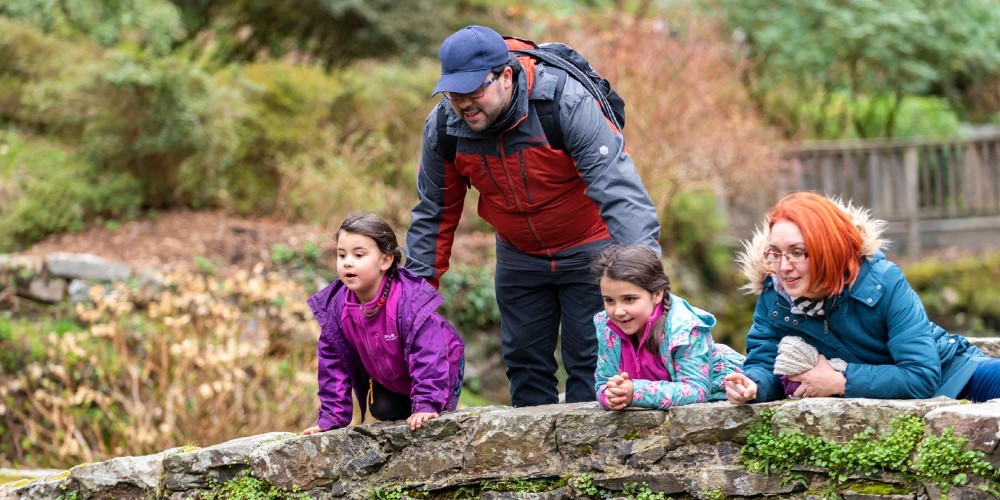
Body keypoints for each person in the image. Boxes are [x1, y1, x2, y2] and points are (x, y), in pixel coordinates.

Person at [405, 25, 661, 407]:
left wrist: (649, 282)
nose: (463, 104)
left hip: (591, 248)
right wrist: (413, 303)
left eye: (474, 91)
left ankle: (586, 465)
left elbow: (620, 193)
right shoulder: (445, 127)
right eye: (454, 94)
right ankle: (536, 467)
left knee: (591, 365)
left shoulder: (564, 102)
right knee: (525, 366)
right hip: (519, 255)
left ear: (505, 76)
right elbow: (434, 214)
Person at [724, 192, 1000, 404]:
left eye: (798, 252)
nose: (783, 267)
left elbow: (921, 376)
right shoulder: (775, 300)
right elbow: (764, 364)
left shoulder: (883, 281)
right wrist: (753, 387)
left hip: (956, 375)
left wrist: (838, 381)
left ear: (827, 250)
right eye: (775, 253)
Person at [302, 213, 464, 433]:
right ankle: (411, 402)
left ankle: (424, 400)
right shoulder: (336, 309)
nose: (348, 262)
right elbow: (333, 365)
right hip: (391, 376)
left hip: (440, 364)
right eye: (341, 255)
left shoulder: (408, 301)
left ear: (385, 260)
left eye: (359, 255)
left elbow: (429, 354)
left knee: (429, 420)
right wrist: (330, 419)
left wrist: (426, 403)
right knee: (383, 409)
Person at [592, 244, 745, 410]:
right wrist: (612, 395)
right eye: (609, 300)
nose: (618, 311)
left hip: (729, 392)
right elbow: (603, 383)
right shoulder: (607, 327)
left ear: (657, 294)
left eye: (629, 299)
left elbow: (696, 390)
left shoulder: (685, 328)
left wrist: (636, 392)